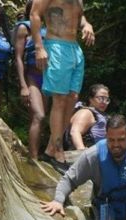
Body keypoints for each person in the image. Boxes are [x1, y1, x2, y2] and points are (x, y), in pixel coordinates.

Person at [31, 0, 96, 172]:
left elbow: (79, 16)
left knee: (72, 98)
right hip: (56, 46)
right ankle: (58, 153)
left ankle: (50, 149)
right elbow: (35, 13)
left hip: (75, 49)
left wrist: (86, 24)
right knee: (59, 99)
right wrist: (39, 47)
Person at [14, 2, 48, 161]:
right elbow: (18, 58)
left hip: (47, 79)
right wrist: (23, 86)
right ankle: (33, 159)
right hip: (32, 78)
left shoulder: (48, 29)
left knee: (39, 119)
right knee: (39, 115)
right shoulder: (24, 28)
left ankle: (33, 154)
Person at [65, 83, 110, 151]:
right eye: (100, 98)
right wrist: (82, 150)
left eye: (107, 99)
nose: (104, 102)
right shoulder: (86, 113)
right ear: (91, 99)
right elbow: (75, 132)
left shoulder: (102, 115)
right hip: (87, 153)